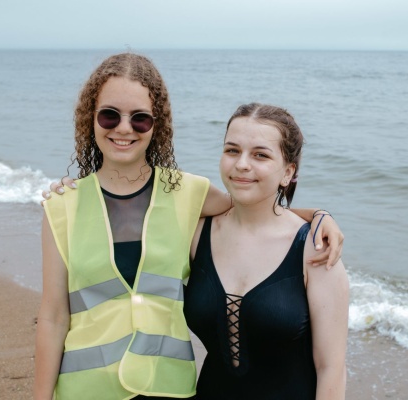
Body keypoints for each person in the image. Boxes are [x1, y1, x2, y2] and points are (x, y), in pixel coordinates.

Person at [35, 53, 345, 400]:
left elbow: (255, 205)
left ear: (158, 124)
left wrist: (318, 215)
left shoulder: (188, 194)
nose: (123, 128)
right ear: (89, 118)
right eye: (110, 115)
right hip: (85, 391)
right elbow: (53, 316)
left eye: (140, 118)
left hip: (168, 389)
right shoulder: (62, 205)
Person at [184, 103, 349, 399]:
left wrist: (319, 215)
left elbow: (331, 368)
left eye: (260, 155)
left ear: (288, 172)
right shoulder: (195, 233)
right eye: (232, 150)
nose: (242, 164)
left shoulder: (315, 249)